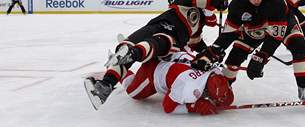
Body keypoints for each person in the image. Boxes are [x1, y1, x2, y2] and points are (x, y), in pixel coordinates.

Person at [84, 0, 228, 108]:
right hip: (166, 30)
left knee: (143, 46)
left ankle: (116, 72)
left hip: (164, 34)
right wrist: (216, 0)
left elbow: (196, 42)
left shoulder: (199, 19)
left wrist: (210, 52)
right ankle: (115, 72)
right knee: (141, 44)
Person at [192, 0, 305, 104]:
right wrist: (212, 53)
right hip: (254, 29)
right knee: (234, 58)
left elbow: (275, 37)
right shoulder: (237, 5)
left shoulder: (276, 1)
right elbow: (228, 34)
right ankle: (223, 90)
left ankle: (304, 89)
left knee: (299, 44)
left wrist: (261, 57)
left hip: (284, 23)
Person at [85, 51, 234, 115]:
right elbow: (168, 107)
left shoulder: (215, 71)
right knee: (132, 92)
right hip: (153, 72)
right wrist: (193, 107)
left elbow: (226, 95)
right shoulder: (188, 87)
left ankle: (141, 52)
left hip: (170, 54)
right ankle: (118, 68)